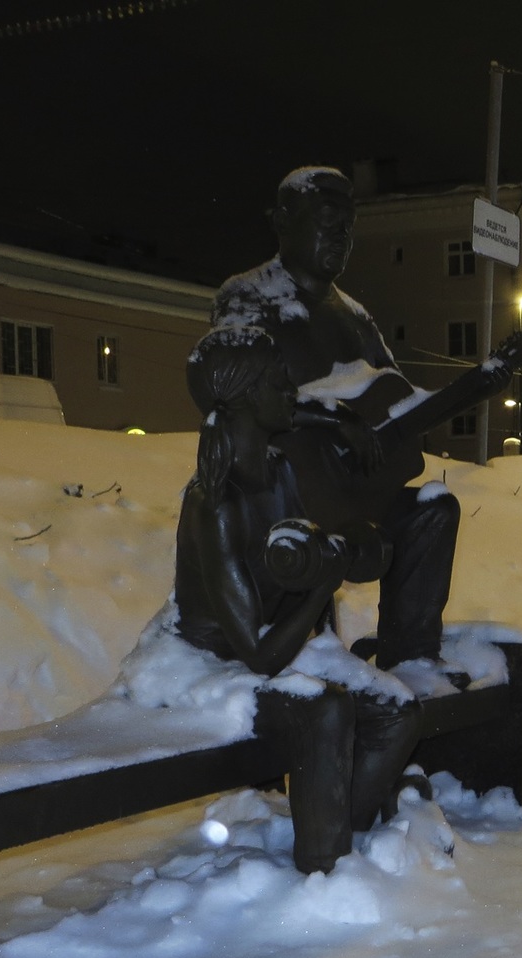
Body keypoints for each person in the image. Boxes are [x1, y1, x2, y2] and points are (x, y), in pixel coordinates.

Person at [211, 166, 522, 669]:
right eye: (326, 222)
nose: (341, 238)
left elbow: (398, 409)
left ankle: (410, 661)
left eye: (347, 227)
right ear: (282, 221)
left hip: (347, 497)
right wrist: (330, 417)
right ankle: (304, 664)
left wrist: (473, 388)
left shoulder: (355, 317)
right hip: (277, 491)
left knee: (433, 511)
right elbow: (233, 393)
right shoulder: (249, 297)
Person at [172, 326, 422, 874]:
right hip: (210, 673)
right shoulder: (215, 504)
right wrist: (321, 583)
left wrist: (334, 554)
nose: (293, 390)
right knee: (326, 710)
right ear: (243, 398)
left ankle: (341, 837)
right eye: (278, 381)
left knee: (396, 708)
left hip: (271, 656)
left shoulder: (278, 468)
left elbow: (301, 560)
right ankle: (323, 871)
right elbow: (255, 654)